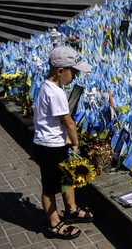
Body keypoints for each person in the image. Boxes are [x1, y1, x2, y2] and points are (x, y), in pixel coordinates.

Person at [33, 46, 94, 240]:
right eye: (73, 72)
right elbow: (68, 122)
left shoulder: (47, 86)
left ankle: (71, 210)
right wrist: (75, 143)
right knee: (50, 187)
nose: (75, 76)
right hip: (49, 146)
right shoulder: (57, 93)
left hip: (54, 141)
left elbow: (52, 118)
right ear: (60, 71)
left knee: (68, 177)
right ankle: (53, 224)